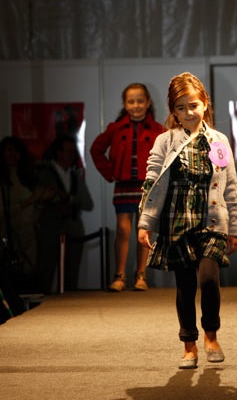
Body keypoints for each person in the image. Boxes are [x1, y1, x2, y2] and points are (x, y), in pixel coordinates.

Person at [138, 72, 237, 369]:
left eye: (193, 105)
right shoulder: (165, 140)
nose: (188, 112)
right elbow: (151, 181)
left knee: (208, 279)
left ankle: (211, 335)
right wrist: (145, 222)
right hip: (177, 220)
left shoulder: (218, 141)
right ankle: (189, 345)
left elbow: (230, 186)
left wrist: (234, 227)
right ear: (173, 110)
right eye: (180, 108)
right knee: (185, 285)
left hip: (211, 221)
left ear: (205, 103)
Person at [90, 83, 164, 292]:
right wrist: (109, 172)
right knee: (123, 230)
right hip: (123, 185)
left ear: (148, 102)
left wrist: (161, 179)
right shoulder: (115, 128)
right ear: (124, 104)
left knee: (144, 230)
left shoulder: (158, 129)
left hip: (147, 186)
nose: (136, 105)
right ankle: (119, 276)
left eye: (140, 101)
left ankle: (141, 275)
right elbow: (96, 149)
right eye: (131, 101)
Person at [35, 134, 94, 294]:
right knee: (45, 271)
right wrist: (59, 198)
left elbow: (88, 203)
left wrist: (68, 198)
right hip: (50, 226)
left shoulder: (75, 175)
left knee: (72, 275)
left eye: (72, 152)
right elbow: (42, 195)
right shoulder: (44, 171)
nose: (69, 155)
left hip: (73, 228)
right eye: (66, 151)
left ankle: (70, 305)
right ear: (58, 152)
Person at [0, 136, 48, 292]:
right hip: (7, 237)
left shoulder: (27, 177)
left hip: (29, 237)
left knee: (29, 279)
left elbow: (34, 210)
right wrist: (29, 201)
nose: (13, 154)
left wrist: (40, 203)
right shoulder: (2, 181)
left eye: (16, 151)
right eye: (9, 151)